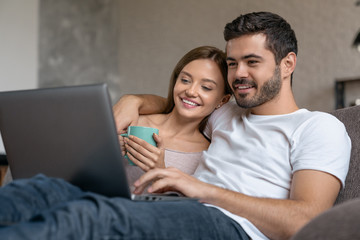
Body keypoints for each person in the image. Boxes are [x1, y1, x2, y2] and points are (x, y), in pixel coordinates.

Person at [0, 11, 351, 240]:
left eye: (252, 62)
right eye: (232, 63)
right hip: (180, 209)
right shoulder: (227, 113)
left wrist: (201, 189)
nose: (238, 74)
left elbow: (308, 221)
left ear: (287, 63)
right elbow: (179, 102)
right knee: (43, 190)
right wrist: (132, 101)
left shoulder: (318, 127)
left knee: (92, 219)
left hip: (231, 229)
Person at [120, 46, 231, 186]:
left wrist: (160, 171)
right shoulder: (133, 122)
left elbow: (193, 206)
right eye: (185, 80)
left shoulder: (209, 155)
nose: (191, 91)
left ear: (222, 100)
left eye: (206, 87)